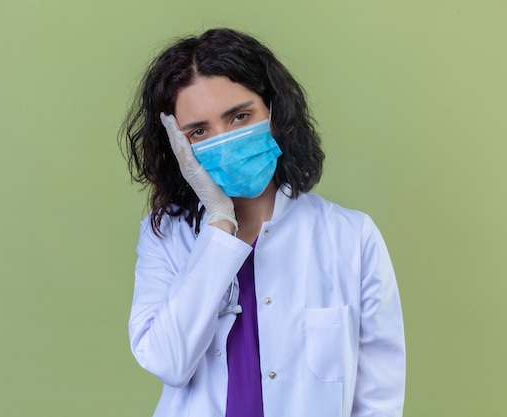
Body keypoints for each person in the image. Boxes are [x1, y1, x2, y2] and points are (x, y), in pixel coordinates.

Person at [119, 27, 405, 417]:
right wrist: (220, 224)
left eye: (239, 116)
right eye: (199, 131)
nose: (225, 139)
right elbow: (168, 362)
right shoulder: (166, 236)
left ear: (273, 112)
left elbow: (379, 397)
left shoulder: (351, 237)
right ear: (179, 147)